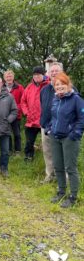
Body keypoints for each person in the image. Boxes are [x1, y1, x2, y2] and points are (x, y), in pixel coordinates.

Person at [45, 72, 84, 208]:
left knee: (70, 168)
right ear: (54, 87)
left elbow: (81, 119)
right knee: (58, 166)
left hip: (69, 138)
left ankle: (73, 197)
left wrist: (75, 134)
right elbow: (53, 117)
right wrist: (49, 129)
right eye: (57, 85)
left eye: (62, 84)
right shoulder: (56, 99)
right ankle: (61, 192)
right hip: (55, 137)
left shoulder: (76, 99)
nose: (59, 87)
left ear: (68, 85)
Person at [40, 62, 63, 183]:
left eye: (56, 71)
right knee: (48, 152)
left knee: (62, 154)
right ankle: (49, 176)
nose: (53, 73)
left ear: (62, 73)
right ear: (48, 74)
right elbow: (42, 106)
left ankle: (64, 179)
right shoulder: (44, 90)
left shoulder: (69, 88)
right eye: (51, 71)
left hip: (62, 128)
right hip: (45, 127)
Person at [21, 66, 50, 161]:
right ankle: (29, 156)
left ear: (43, 75)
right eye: (34, 75)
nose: (36, 76)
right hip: (31, 120)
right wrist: (26, 112)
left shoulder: (49, 85)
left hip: (44, 120)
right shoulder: (29, 87)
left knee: (47, 142)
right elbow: (23, 101)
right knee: (29, 141)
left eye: (38, 74)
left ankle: (49, 160)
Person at [3, 70, 24, 155]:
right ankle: (9, 150)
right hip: (5, 115)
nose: (9, 78)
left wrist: (15, 109)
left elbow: (23, 100)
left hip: (16, 115)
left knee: (17, 134)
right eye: (7, 76)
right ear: (4, 78)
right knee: (7, 133)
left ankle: (18, 150)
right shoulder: (2, 88)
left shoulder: (19, 87)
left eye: (10, 76)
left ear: (13, 77)